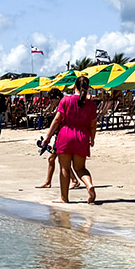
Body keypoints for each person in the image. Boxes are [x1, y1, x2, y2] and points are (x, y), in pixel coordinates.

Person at [41, 75, 97, 203]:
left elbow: (57, 120)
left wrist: (48, 137)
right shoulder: (91, 104)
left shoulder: (66, 100)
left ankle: (64, 198)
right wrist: (92, 139)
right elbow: (93, 125)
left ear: (75, 86)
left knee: (64, 168)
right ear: (87, 88)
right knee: (80, 168)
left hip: (65, 135)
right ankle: (89, 185)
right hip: (82, 136)